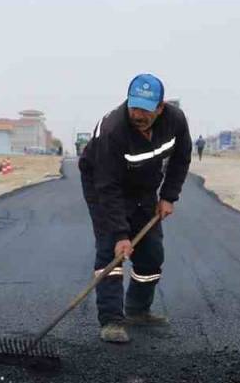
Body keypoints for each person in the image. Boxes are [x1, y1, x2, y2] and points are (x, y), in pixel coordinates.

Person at [78, 73, 192, 344]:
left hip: (144, 186)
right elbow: (107, 186)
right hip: (102, 184)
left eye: (145, 109)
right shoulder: (113, 130)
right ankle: (111, 320)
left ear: (160, 107)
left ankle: (138, 310)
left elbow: (182, 157)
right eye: (134, 106)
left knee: (151, 253)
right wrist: (120, 234)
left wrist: (168, 196)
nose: (138, 114)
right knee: (111, 254)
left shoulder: (176, 121)